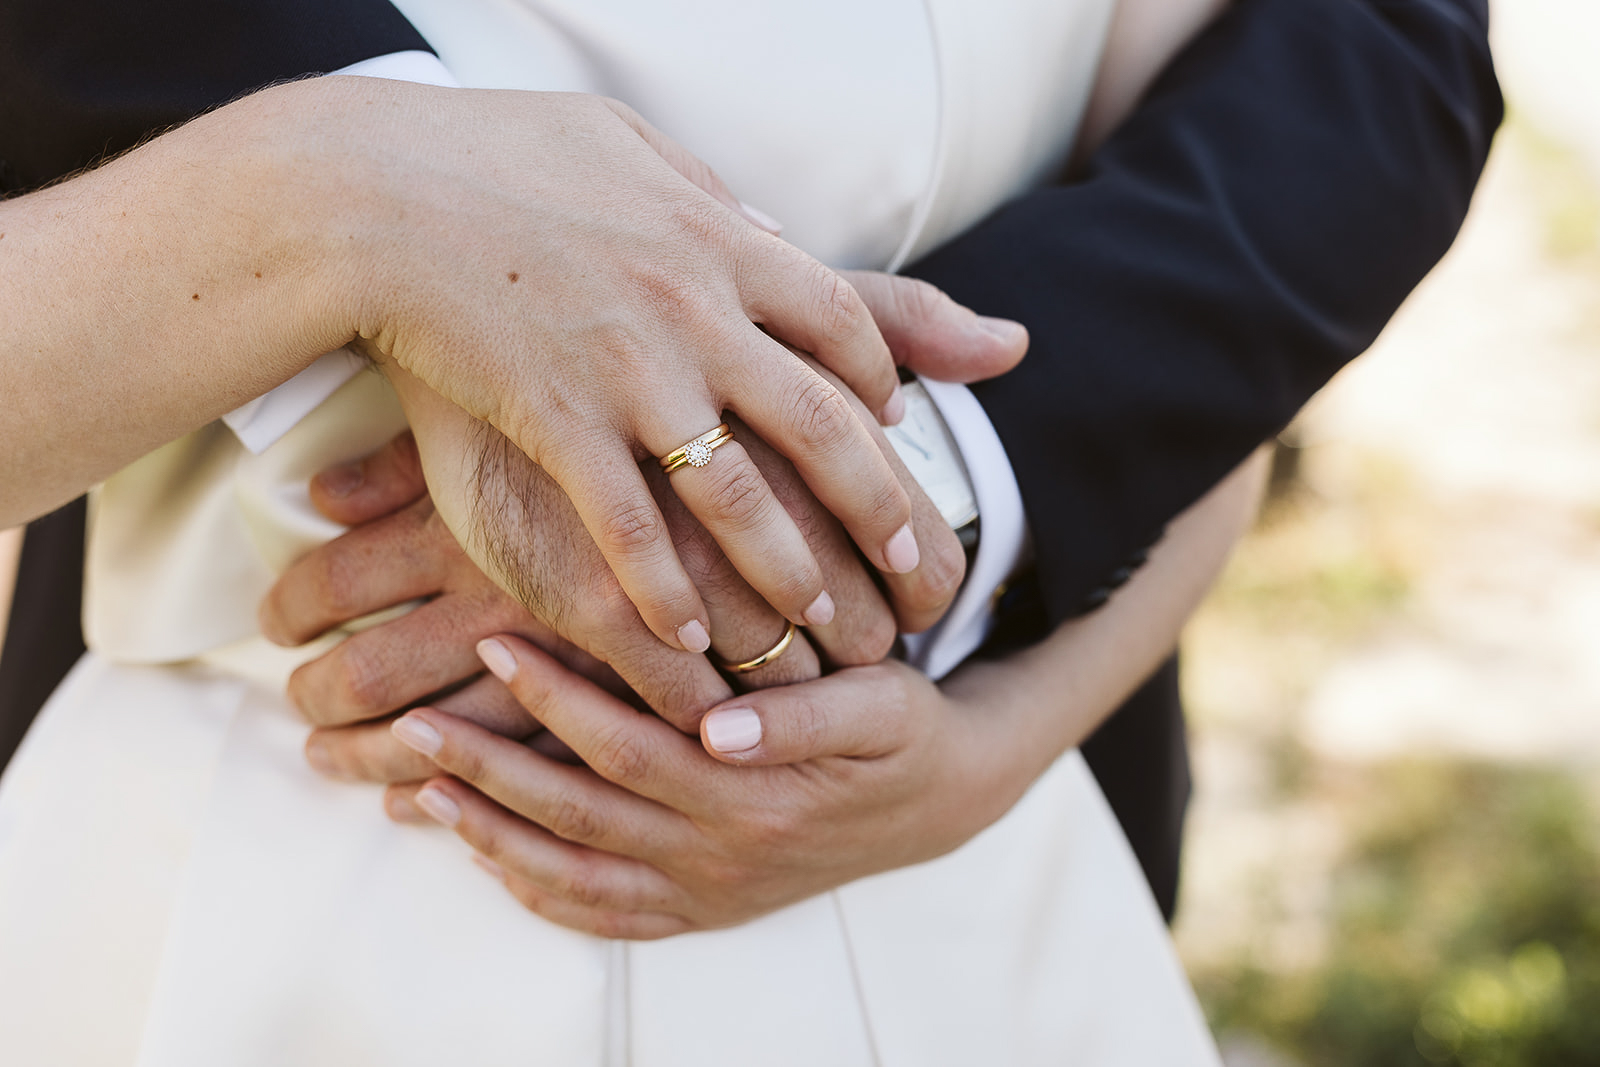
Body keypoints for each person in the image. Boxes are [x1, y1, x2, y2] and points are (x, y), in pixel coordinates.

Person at [0, 0, 1500, 1062]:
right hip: (219, 890)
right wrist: (361, 201)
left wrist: (918, 509)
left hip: (957, 879)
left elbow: (1305, 135)